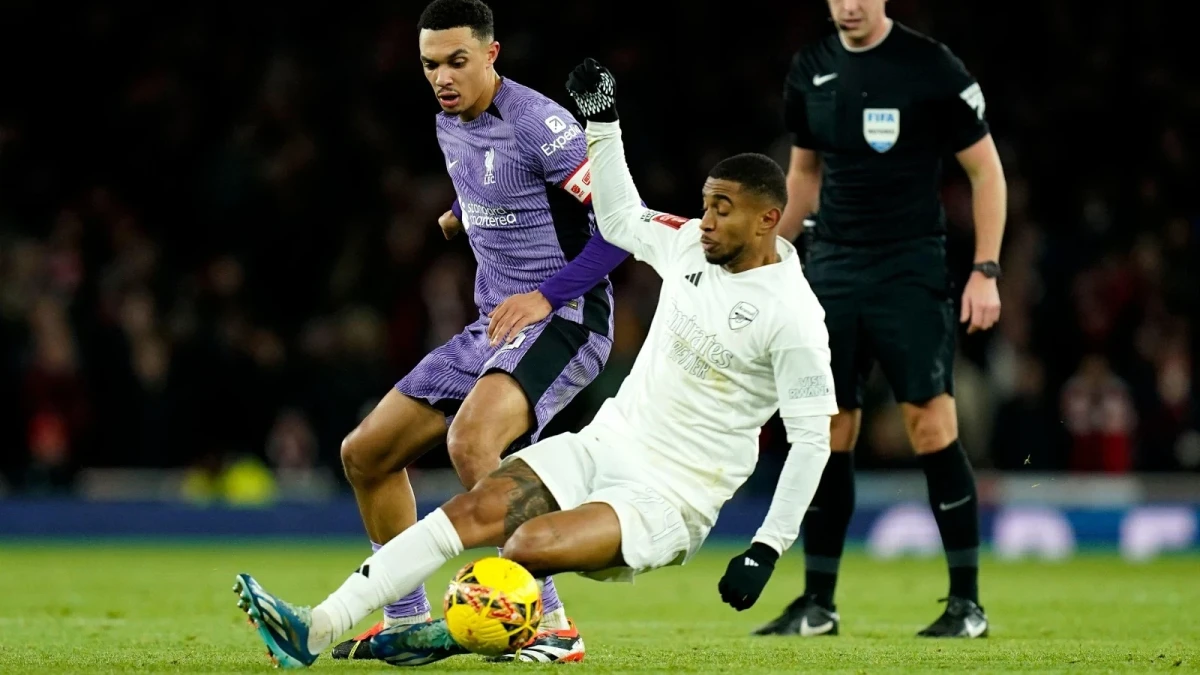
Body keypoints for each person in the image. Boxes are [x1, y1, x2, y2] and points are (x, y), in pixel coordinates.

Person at [232, 57, 836, 669]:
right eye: (706, 205)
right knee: (470, 510)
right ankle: (317, 627)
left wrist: (766, 548)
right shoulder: (687, 244)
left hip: (670, 497)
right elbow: (622, 219)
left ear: (768, 220)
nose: (705, 222)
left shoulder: (794, 318)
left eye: (723, 210)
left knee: (525, 545)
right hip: (602, 447)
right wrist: (604, 121)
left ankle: (469, 634)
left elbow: (813, 441)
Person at [329, 0, 630, 663]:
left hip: (566, 316)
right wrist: (463, 214)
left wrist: (542, 296)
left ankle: (551, 621)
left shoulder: (543, 125)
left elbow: (620, 227)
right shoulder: (449, 120)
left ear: (492, 55)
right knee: (366, 452)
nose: (442, 77)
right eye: (430, 64)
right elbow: (505, 188)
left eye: (457, 61)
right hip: (491, 324)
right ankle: (406, 617)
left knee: (473, 441)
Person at [753, 0, 1006, 639]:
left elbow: (986, 171)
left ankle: (966, 606)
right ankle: (818, 606)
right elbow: (804, 175)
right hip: (832, 266)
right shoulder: (811, 67)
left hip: (909, 269)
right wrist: (764, 260)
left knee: (929, 423)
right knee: (826, 429)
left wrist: (987, 268)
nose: (849, 6)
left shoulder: (930, 66)